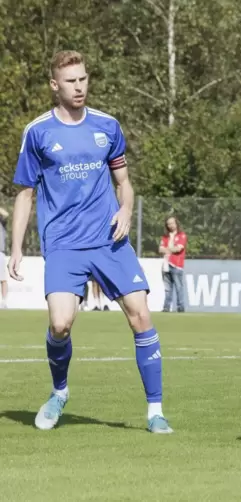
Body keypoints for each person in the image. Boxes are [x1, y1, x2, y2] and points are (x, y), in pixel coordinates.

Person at [8, 50, 172, 434]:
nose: (79, 87)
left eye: (83, 79)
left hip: (108, 241)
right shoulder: (37, 132)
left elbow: (124, 183)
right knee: (61, 324)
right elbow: (25, 194)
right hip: (63, 244)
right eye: (70, 81)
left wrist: (126, 210)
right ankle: (60, 391)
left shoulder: (107, 126)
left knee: (141, 315)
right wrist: (15, 248)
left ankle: (155, 411)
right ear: (54, 86)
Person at [159, 215, 187, 313]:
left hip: (177, 265)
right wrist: (170, 249)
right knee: (167, 288)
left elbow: (178, 248)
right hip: (166, 265)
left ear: (176, 223)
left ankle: (180, 307)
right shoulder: (165, 237)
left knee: (179, 287)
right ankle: (166, 307)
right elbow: (160, 249)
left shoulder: (181, 235)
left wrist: (167, 249)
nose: (170, 225)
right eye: (168, 224)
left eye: (172, 223)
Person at [0, 206, 8, 308]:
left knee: (2, 279)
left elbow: (6, 214)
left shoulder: (2, 222)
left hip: (0, 252)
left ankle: (4, 301)